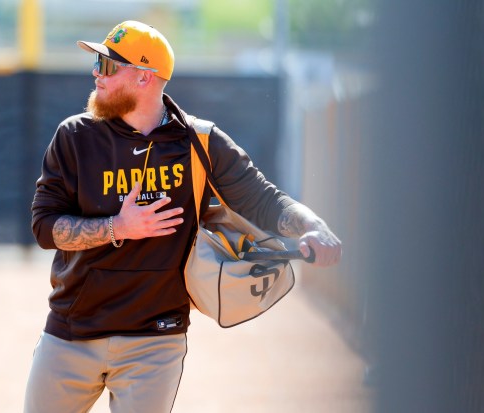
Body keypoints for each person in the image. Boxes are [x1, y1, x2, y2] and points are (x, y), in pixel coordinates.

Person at [24, 20, 342, 413]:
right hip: (72, 331)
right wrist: (117, 228)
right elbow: (44, 227)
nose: (96, 74)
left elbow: (264, 200)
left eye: (108, 66)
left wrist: (314, 227)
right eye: (97, 63)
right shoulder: (74, 137)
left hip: (155, 339)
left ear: (144, 77)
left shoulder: (200, 141)